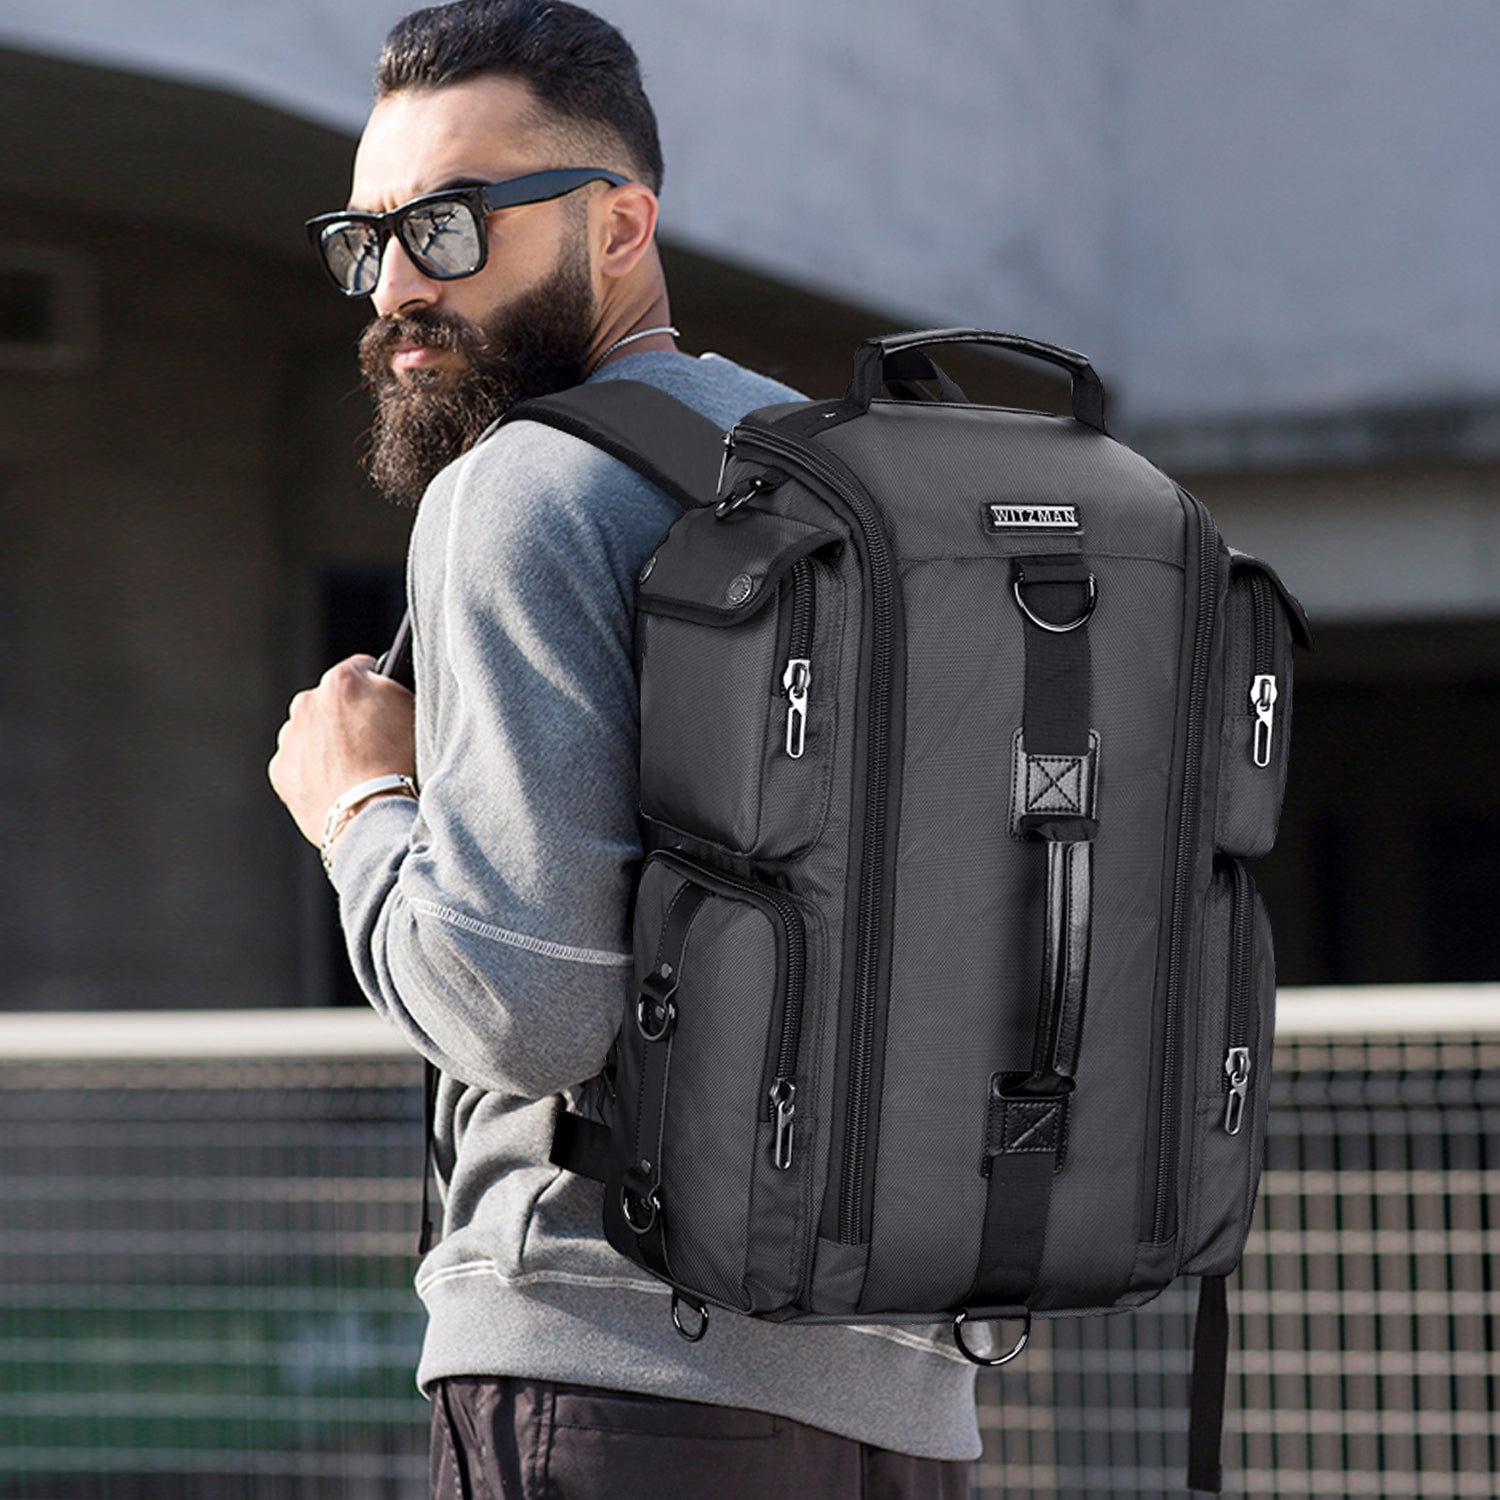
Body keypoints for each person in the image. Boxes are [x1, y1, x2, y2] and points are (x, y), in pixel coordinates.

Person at [268, 3, 979, 1494]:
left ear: (620, 224)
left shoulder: (522, 488)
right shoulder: (837, 472)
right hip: (901, 1387)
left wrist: (359, 806)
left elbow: (524, 1008)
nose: (395, 286)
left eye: (448, 226)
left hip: (612, 1372)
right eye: (366, 238)